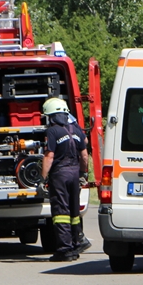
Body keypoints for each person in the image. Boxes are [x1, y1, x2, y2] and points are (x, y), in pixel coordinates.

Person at [40, 98, 90, 262]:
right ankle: (76, 245)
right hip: (75, 173)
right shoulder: (76, 130)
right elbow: (84, 154)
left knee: (61, 212)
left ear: (51, 116)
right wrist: (83, 173)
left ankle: (64, 250)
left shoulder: (53, 131)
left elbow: (49, 156)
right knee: (74, 212)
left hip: (60, 175)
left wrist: (43, 178)